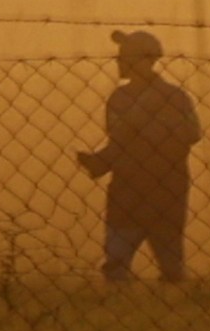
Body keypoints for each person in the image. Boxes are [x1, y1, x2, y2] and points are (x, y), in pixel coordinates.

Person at [76, 29, 201, 282]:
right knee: (117, 264)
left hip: (162, 190)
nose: (119, 61)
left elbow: (191, 133)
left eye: (125, 56)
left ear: (144, 60)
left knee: (170, 265)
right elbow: (120, 140)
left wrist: (140, 127)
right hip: (130, 190)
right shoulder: (120, 98)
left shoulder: (172, 97)